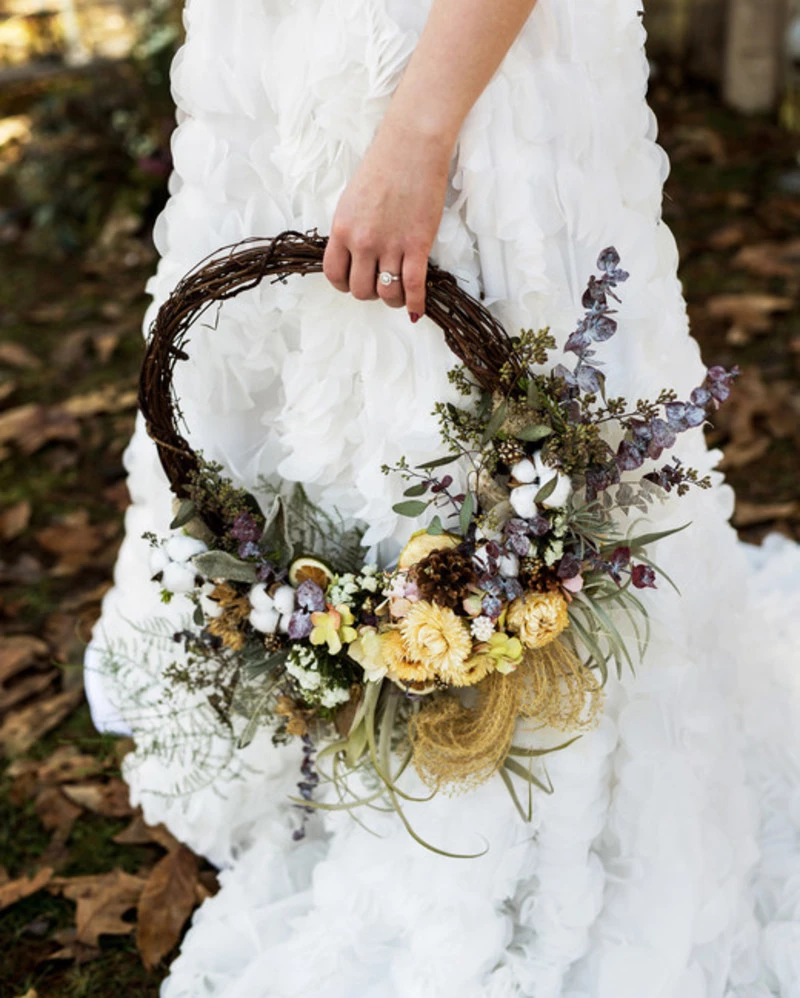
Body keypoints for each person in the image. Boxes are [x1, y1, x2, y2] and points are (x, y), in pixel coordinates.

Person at [85, 0, 800, 994]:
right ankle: (323, 722)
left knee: (460, 387)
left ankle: (472, 781)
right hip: (282, 40)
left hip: (438, 54)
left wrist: (419, 129)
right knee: (298, 387)